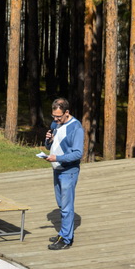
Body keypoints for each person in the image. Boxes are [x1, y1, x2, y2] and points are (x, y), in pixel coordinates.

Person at [42, 97, 84, 251]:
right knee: (61, 204)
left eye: (58, 117)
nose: (55, 119)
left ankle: (66, 239)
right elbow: (52, 145)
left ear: (67, 112)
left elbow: (78, 153)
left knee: (66, 206)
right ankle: (63, 233)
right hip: (57, 170)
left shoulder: (76, 128)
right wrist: (49, 141)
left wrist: (57, 158)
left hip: (69, 172)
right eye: (53, 116)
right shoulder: (56, 124)